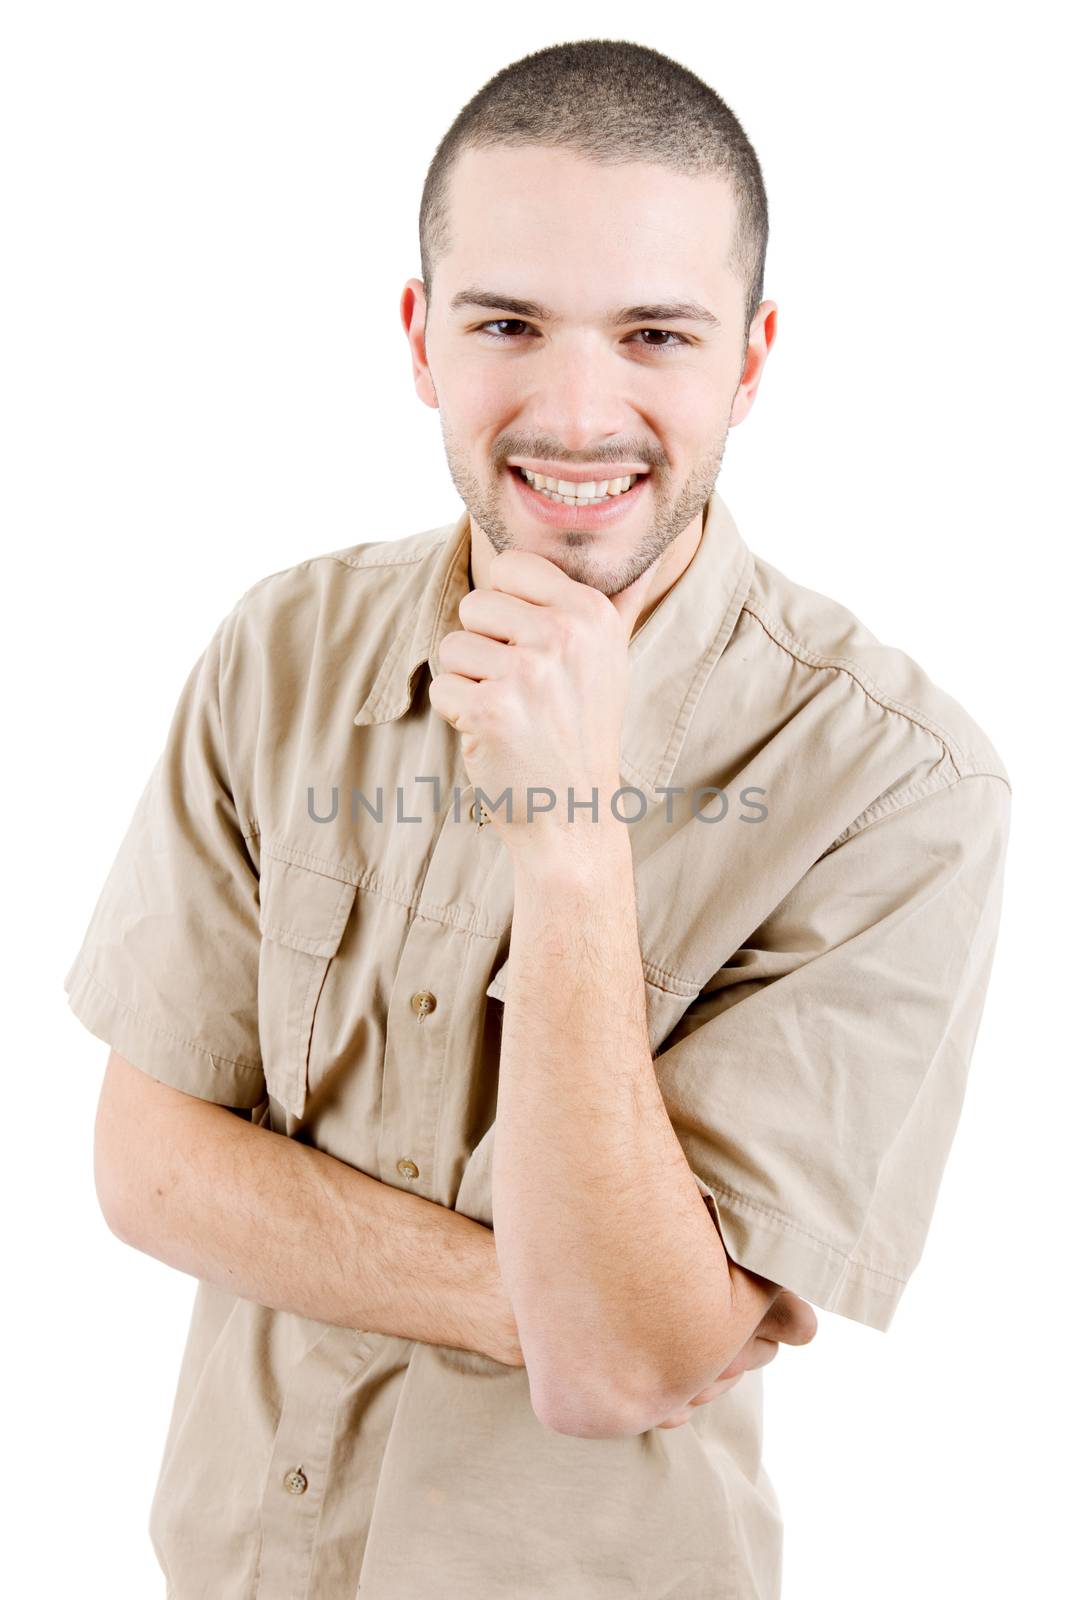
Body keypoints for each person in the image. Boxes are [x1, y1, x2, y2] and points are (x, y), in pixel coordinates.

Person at [64, 38, 1011, 1600]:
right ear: (423, 337)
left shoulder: (901, 786)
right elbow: (145, 1168)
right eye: (510, 322)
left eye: (657, 335)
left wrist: (573, 838)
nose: (582, 412)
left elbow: (621, 1372)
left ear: (751, 362)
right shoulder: (280, 647)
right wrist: (541, 1297)